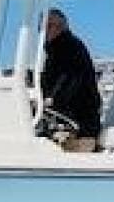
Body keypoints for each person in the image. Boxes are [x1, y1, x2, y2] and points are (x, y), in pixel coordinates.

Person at [40, 8, 101, 150]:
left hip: (79, 129)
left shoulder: (69, 49)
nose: (43, 31)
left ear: (61, 27)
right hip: (71, 123)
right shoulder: (58, 50)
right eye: (41, 27)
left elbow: (69, 82)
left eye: (48, 26)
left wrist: (49, 101)